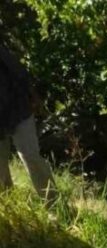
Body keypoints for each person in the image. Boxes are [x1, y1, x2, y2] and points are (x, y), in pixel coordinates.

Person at [0, 43, 54, 200]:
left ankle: (53, 204)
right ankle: (11, 210)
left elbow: (20, 73)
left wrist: (33, 97)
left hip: (18, 107)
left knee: (30, 155)